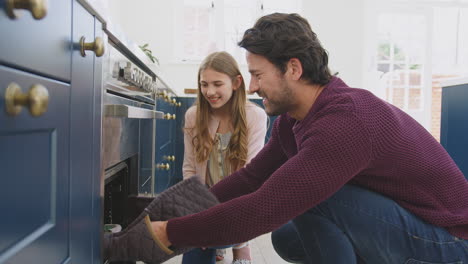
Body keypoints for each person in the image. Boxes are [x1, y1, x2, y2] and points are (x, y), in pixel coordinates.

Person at [111, 13, 467, 263]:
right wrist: (175, 211)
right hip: (411, 227)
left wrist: (167, 232)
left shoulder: (344, 123)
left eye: (257, 74)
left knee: (312, 197)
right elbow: (251, 179)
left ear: (293, 69)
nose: (250, 87)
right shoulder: (295, 119)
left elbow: (261, 207)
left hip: (449, 244)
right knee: (287, 237)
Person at [181, 51, 268, 264]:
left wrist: (213, 222)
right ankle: (226, 247)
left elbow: (251, 175)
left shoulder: (255, 116)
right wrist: (197, 213)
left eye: (217, 84)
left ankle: (240, 246)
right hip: (204, 201)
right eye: (204, 84)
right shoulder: (194, 115)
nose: (209, 91)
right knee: (195, 244)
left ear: (236, 82)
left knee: (214, 238)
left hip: (239, 204)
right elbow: (190, 168)